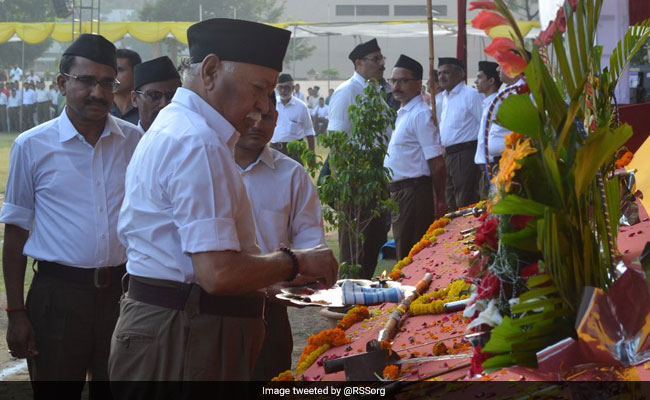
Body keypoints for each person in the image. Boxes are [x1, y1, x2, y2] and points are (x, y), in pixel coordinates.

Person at [109, 18, 337, 385]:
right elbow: (218, 273)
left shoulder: (180, 126)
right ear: (211, 71)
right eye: (259, 89)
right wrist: (296, 262)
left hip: (181, 328)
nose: (263, 106)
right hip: (186, 334)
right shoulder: (197, 141)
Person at [0, 34, 142, 399]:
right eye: (86, 81)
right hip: (57, 299)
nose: (97, 92)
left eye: (107, 83)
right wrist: (16, 312)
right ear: (63, 83)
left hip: (122, 296)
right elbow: (15, 234)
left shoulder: (135, 142)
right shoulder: (32, 146)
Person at [235, 94, 326, 381]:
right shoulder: (206, 167)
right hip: (214, 310)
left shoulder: (291, 174)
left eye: (267, 117)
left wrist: (301, 262)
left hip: (271, 309)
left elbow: (310, 236)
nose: (258, 124)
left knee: (274, 382)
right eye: (251, 114)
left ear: (276, 120)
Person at [327, 38, 389, 279]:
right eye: (376, 60)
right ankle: (347, 300)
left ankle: (361, 295)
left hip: (377, 177)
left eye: (382, 59)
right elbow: (337, 142)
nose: (382, 64)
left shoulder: (375, 91)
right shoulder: (347, 92)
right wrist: (344, 189)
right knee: (354, 248)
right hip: (355, 180)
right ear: (359, 63)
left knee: (374, 240)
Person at [384, 55, 447, 260]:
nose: (396, 86)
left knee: (411, 256)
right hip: (400, 194)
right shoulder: (404, 113)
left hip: (414, 192)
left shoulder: (420, 114)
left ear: (418, 84)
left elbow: (437, 162)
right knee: (404, 252)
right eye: (393, 81)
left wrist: (440, 199)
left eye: (403, 81)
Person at [437, 57, 483, 210]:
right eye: (439, 73)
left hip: (465, 154)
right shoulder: (444, 97)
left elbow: (483, 123)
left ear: (460, 74)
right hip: (448, 155)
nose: (442, 77)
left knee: (464, 200)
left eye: (446, 73)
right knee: (450, 200)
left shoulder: (470, 95)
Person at [271, 73, 315, 163]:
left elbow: (309, 131)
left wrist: (311, 156)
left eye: (287, 87)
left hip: (295, 152)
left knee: (296, 176)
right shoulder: (271, 105)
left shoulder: (301, 107)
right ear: (276, 88)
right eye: (280, 87)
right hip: (274, 150)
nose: (283, 90)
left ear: (293, 88)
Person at [473, 61, 502, 198]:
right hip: (484, 165)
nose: (475, 81)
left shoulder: (497, 103)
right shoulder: (487, 103)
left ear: (491, 81)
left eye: (479, 77)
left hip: (491, 164)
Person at [130, 56, 181, 132]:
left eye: (172, 96)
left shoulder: (193, 139)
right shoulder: (126, 140)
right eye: (154, 96)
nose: (164, 104)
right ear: (134, 99)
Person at [110, 48, 141, 125]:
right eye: (110, 70)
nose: (112, 75)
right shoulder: (100, 108)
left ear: (136, 72)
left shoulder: (146, 108)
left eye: (119, 70)